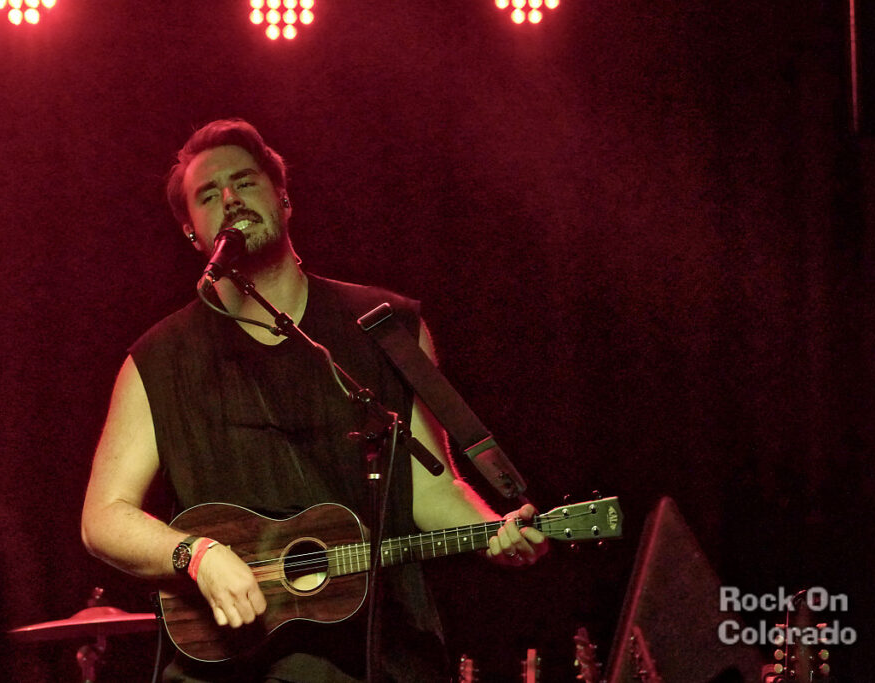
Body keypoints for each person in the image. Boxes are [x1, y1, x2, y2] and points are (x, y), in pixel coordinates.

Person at [80, 119, 549, 682]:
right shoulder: (158, 360)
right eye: (208, 195)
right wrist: (196, 555)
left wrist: (492, 530)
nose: (230, 199)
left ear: (283, 198)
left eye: (245, 182)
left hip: (378, 657)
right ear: (192, 233)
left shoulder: (387, 330)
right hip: (227, 666)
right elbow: (103, 517)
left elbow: (431, 487)